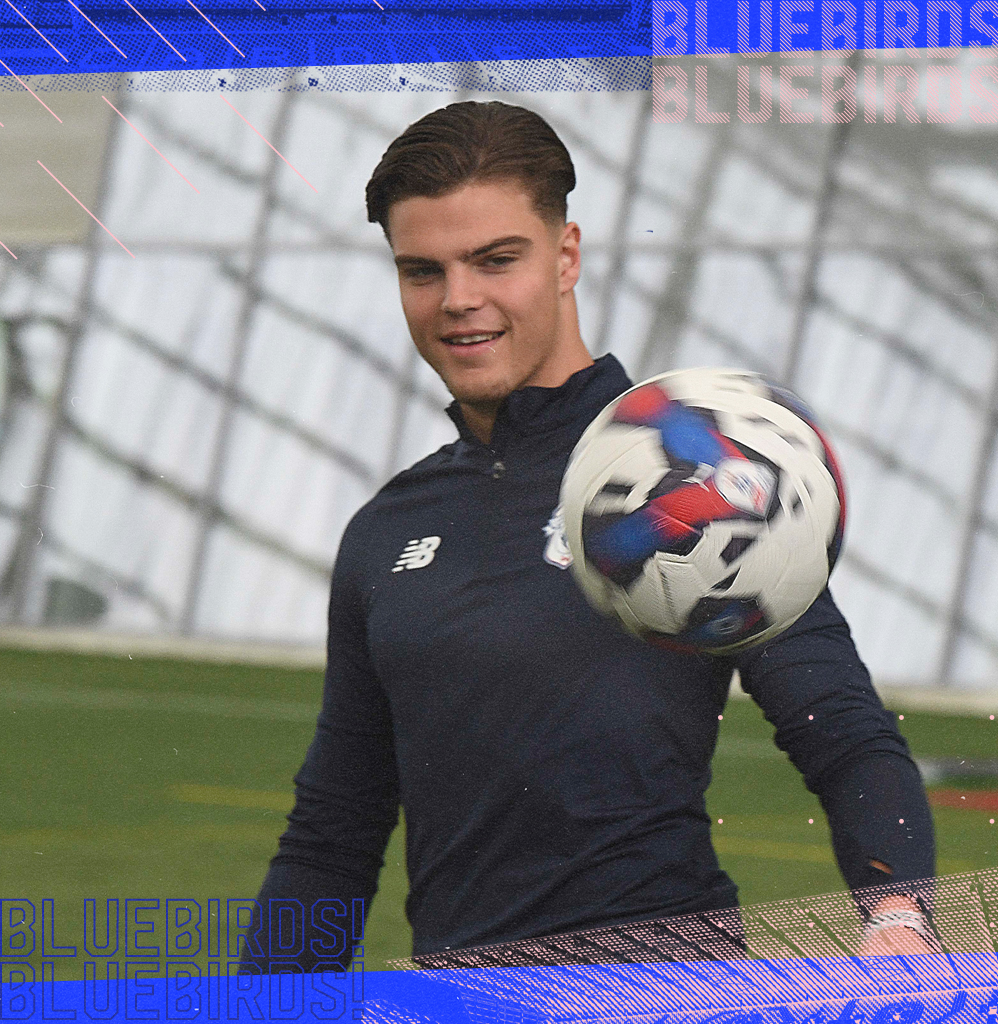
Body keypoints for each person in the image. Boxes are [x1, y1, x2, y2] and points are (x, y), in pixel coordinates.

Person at [241, 100, 937, 972]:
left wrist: (898, 914)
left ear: (566, 255)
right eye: (423, 271)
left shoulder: (701, 472)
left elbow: (841, 731)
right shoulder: (388, 530)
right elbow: (331, 839)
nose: (460, 301)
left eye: (496, 260)